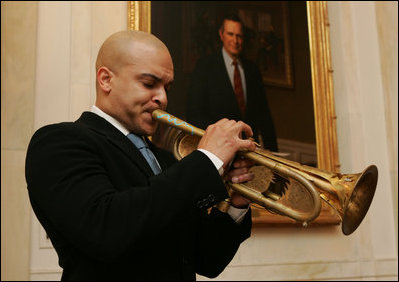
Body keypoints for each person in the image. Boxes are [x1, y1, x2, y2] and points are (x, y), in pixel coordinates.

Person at [25, 30, 257, 281]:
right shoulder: (59, 142)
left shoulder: (168, 161)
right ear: (105, 80)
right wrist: (208, 159)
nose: (163, 98)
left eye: (167, 87)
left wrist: (237, 204)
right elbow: (106, 231)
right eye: (149, 84)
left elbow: (207, 260)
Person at [187, 13, 278, 151]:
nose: (235, 41)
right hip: (218, 149)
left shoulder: (252, 70)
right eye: (230, 34)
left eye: (239, 36)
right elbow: (194, 113)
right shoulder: (205, 67)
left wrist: (274, 157)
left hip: (250, 151)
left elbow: (264, 115)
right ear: (221, 35)